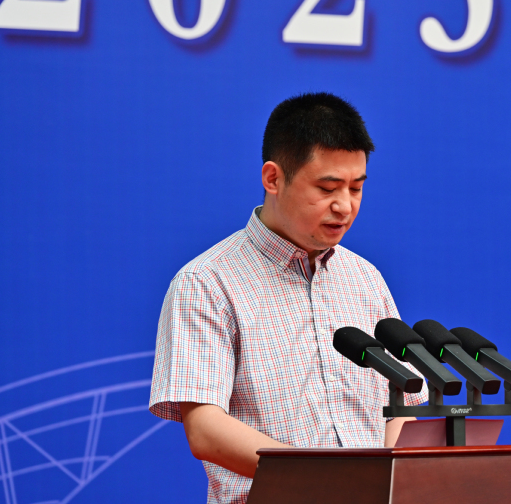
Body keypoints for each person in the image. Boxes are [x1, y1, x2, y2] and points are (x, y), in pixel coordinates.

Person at [148, 92, 427, 503]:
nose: (344, 206)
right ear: (273, 179)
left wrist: (385, 480)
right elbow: (205, 429)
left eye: (356, 188)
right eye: (327, 188)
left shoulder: (366, 279)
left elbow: (403, 403)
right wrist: (331, 480)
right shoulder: (206, 282)